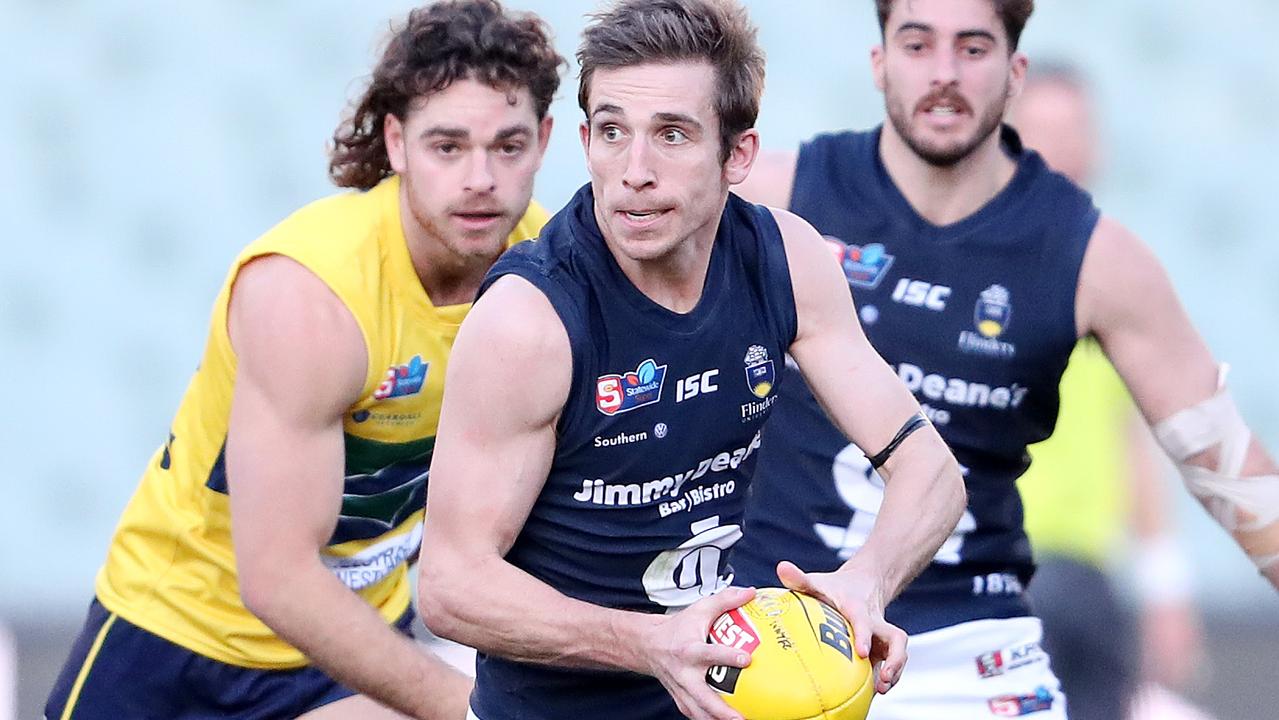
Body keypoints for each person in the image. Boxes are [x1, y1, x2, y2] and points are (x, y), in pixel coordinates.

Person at [415, 1, 967, 719]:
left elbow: (930, 470)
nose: (634, 171)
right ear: (585, 141)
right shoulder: (531, 321)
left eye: (671, 135)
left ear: (737, 154)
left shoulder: (787, 261)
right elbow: (452, 587)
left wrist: (866, 583)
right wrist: (647, 643)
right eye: (612, 132)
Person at [731, 0, 1279, 717]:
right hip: (779, 630)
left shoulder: (1093, 258)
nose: (944, 73)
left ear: (1014, 72)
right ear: (879, 62)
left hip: (969, 649)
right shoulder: (773, 199)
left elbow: (1227, 464)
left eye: (972, 48)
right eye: (918, 44)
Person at [44, 2, 561, 718]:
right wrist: (466, 704)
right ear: (398, 142)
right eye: (448, 146)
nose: (480, 179)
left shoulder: (548, 277)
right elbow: (279, 577)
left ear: (543, 140)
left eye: (506, 147)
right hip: (176, 641)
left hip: (351, 658)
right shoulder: (311, 293)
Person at [1012, 62, 1205, 720]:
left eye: (1072, 132)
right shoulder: (959, 266)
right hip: (990, 566)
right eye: (1039, 132)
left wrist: (1164, 586)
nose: (1058, 150)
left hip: (1085, 574)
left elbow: (1132, 436)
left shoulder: (1117, 276)